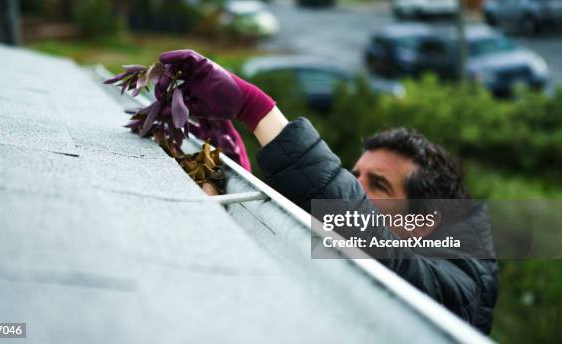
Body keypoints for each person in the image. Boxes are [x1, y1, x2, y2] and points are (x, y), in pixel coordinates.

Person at [155, 50, 498, 334]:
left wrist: (255, 109)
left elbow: (373, 242)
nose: (356, 189)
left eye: (377, 185)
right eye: (354, 176)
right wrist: (236, 178)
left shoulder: (458, 291)